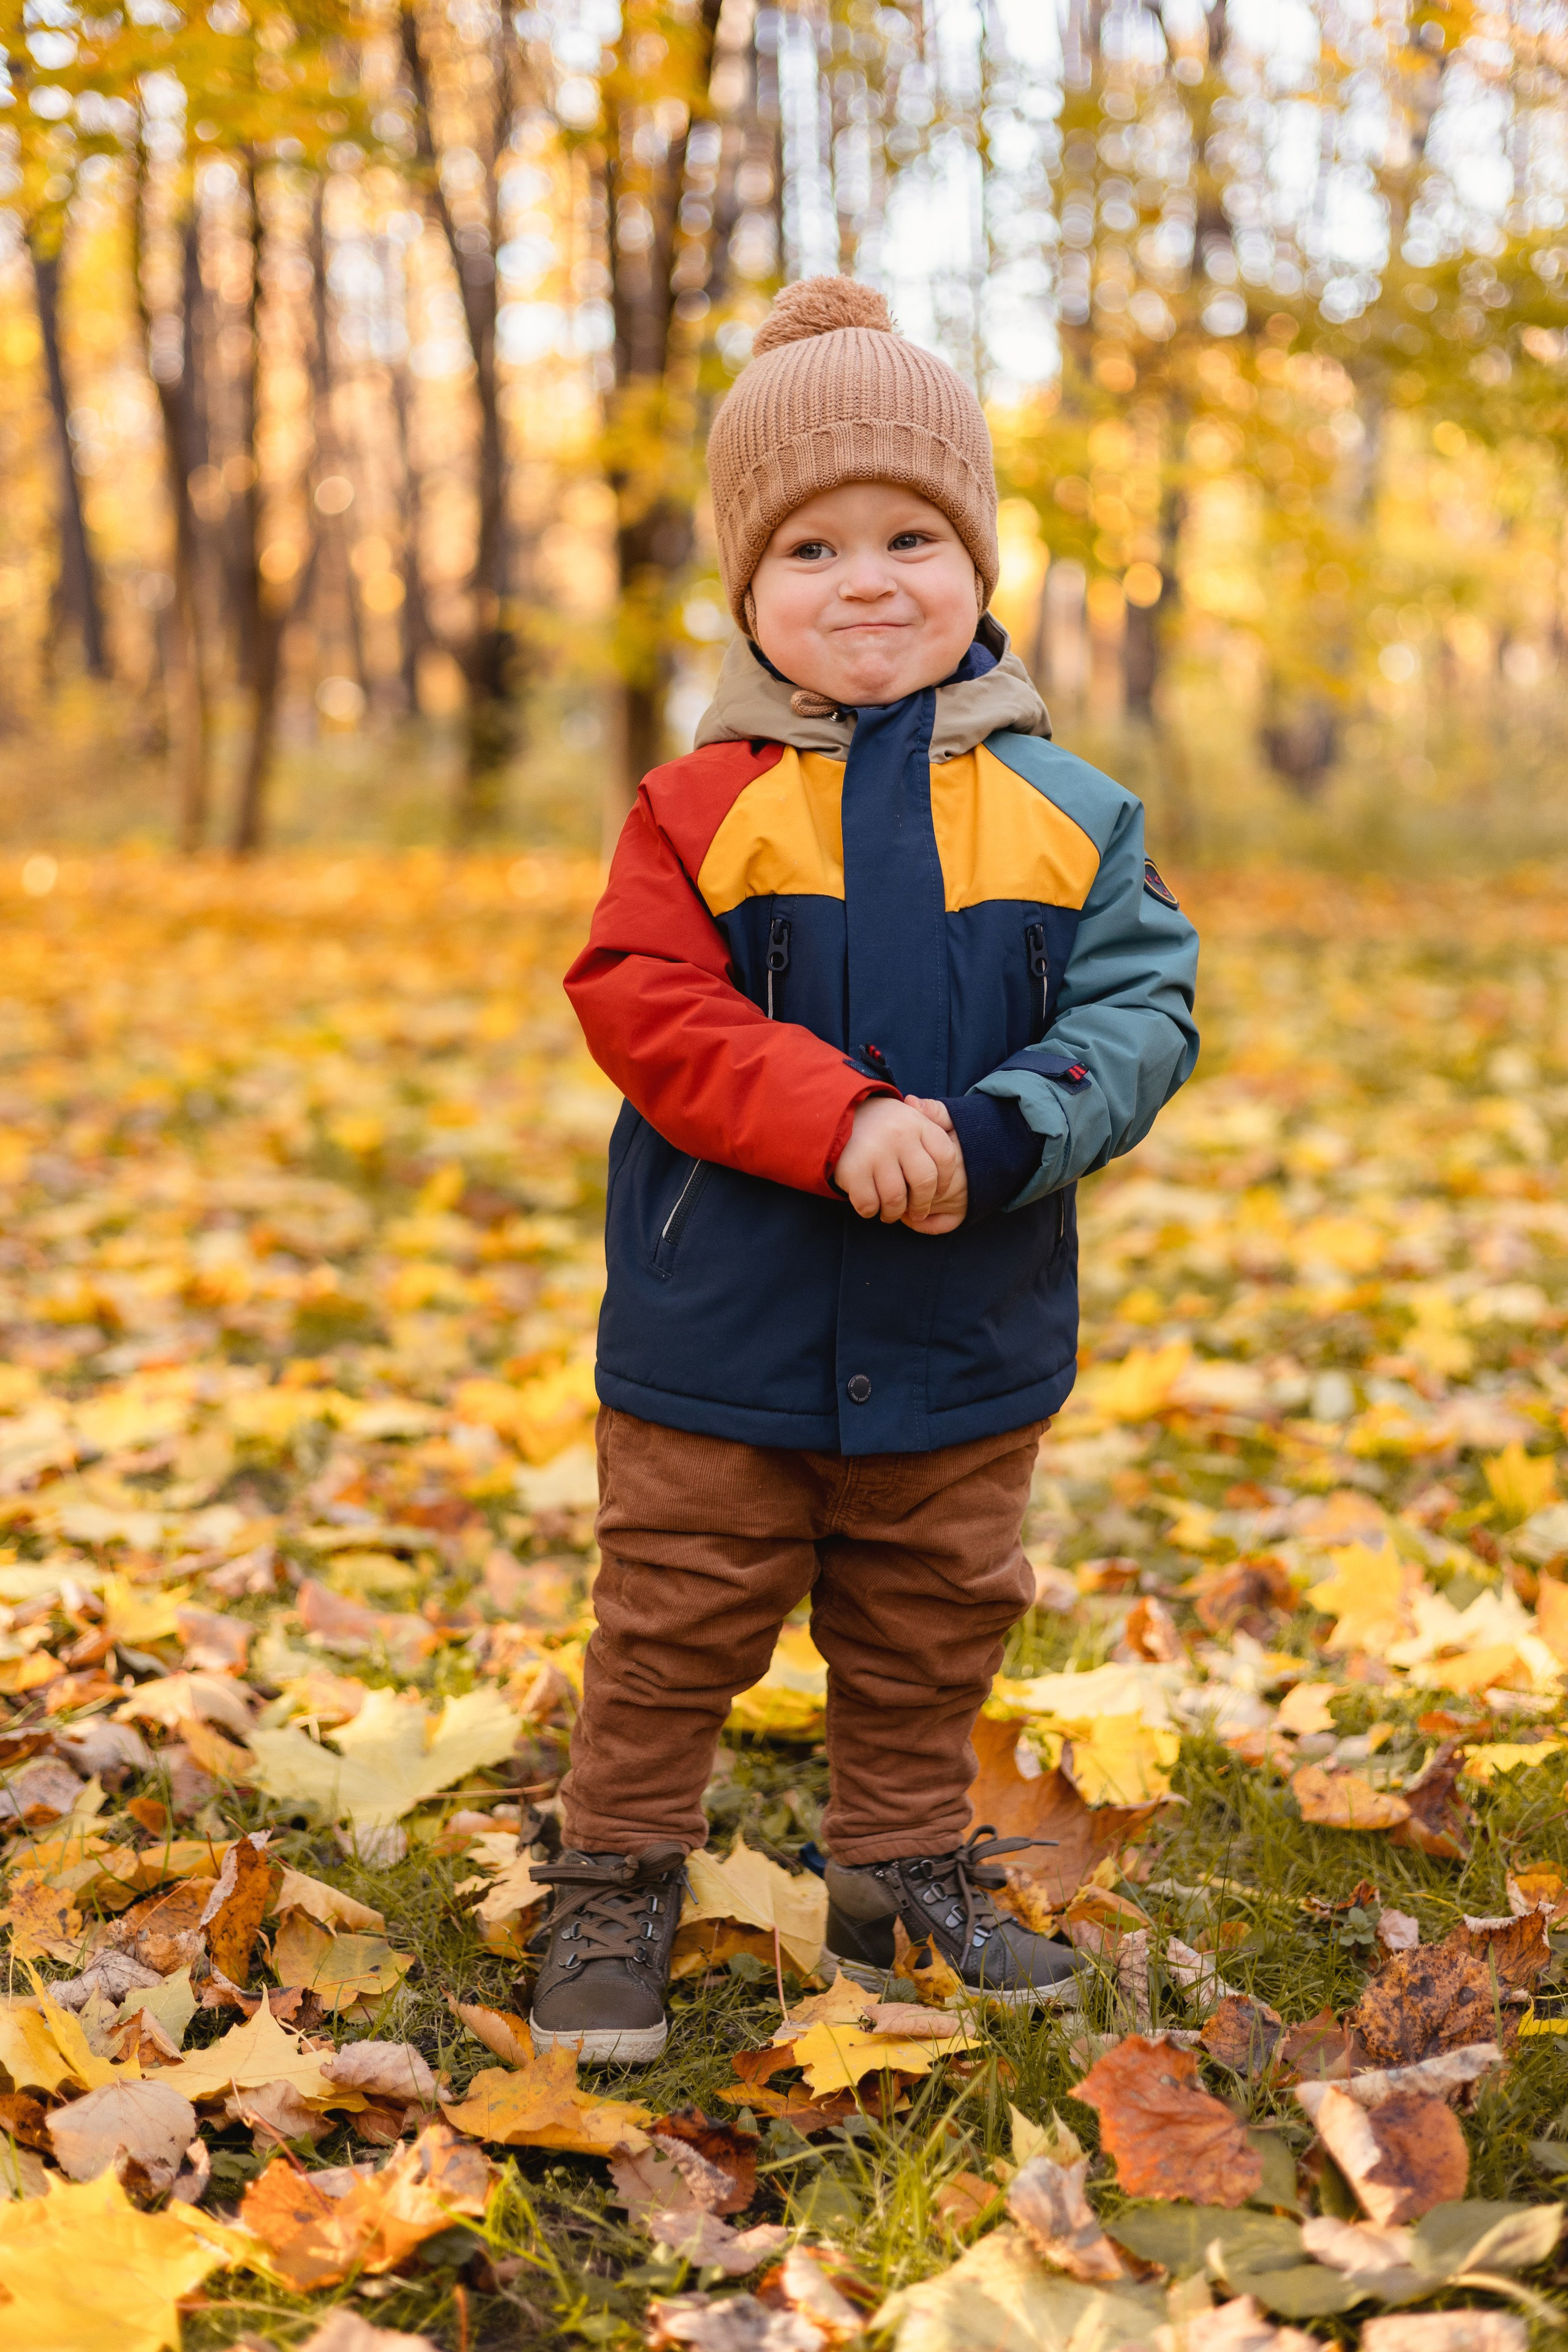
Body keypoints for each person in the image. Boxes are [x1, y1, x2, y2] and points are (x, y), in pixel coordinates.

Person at [530, 274, 1199, 2060]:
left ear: (981, 566)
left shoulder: (1073, 811)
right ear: (748, 588)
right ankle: (615, 1875)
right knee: (675, 1613)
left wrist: (1009, 1123)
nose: (869, 581)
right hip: (721, 1323)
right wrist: (831, 1117)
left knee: (931, 1612)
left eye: (913, 534)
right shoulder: (700, 808)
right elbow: (644, 1002)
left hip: (967, 1310)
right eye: (812, 550)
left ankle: (904, 1864)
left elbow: (1146, 1008)